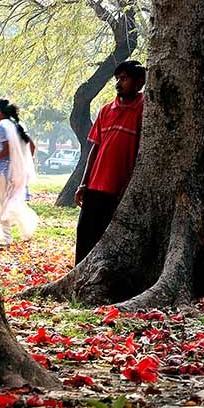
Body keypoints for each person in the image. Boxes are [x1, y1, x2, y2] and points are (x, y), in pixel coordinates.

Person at [74, 60, 146, 265]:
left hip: (121, 190)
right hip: (96, 187)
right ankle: (79, 276)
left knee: (109, 239)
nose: (119, 83)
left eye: (124, 79)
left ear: (139, 82)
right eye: (118, 79)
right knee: (85, 233)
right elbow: (94, 149)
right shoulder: (105, 111)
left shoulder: (145, 110)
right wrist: (83, 183)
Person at [0, 99, 39, 246]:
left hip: (4, 171)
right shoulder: (19, 125)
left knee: (0, 204)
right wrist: (23, 162)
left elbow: (6, 151)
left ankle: (5, 238)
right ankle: (20, 232)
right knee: (13, 201)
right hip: (19, 171)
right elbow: (33, 146)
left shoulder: (1, 126)